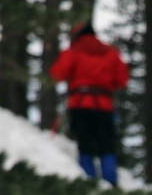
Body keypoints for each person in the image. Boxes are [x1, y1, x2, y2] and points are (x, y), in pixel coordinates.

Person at [49, 21, 129, 185]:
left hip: (80, 104)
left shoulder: (73, 51)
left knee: (84, 143)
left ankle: (89, 182)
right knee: (107, 144)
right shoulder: (111, 52)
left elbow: (57, 73)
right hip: (104, 105)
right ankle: (110, 182)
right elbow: (122, 80)